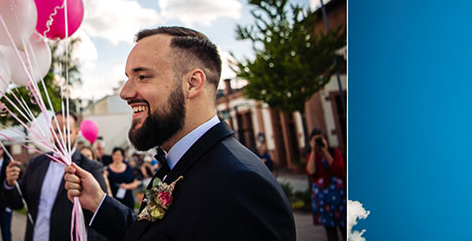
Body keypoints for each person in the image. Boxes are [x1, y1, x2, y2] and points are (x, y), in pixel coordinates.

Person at [61, 27, 296, 241]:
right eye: (128, 78)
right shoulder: (180, 163)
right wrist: (99, 203)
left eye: (142, 76)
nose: (125, 93)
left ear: (192, 83)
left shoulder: (241, 185)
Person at [3, 116, 107, 241]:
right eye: (57, 131)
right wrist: (10, 184)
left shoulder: (90, 168)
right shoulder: (36, 164)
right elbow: (17, 204)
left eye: (66, 131)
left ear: (77, 133)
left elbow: (100, 217)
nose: (61, 136)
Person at [305, 130, 346, 241]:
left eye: (321, 139)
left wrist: (325, 151)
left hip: (339, 196)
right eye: (315, 140)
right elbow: (311, 171)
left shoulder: (335, 152)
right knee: (330, 231)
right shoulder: (312, 156)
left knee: (345, 227)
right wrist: (313, 151)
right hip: (323, 199)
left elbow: (339, 170)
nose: (318, 142)